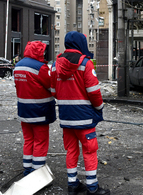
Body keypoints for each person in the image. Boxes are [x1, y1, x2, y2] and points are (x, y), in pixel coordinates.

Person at [51, 31, 110, 195]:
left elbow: (53, 91)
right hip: (84, 118)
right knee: (89, 151)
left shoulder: (56, 65)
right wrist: (99, 108)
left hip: (66, 117)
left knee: (71, 151)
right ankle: (92, 188)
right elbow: (94, 92)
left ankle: (73, 185)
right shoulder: (85, 63)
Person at [13, 41, 56, 176]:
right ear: (38, 51)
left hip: (23, 110)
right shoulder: (40, 67)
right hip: (40, 111)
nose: (44, 53)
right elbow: (51, 87)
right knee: (40, 141)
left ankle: (27, 168)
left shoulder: (18, 66)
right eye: (42, 51)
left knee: (28, 140)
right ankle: (37, 171)